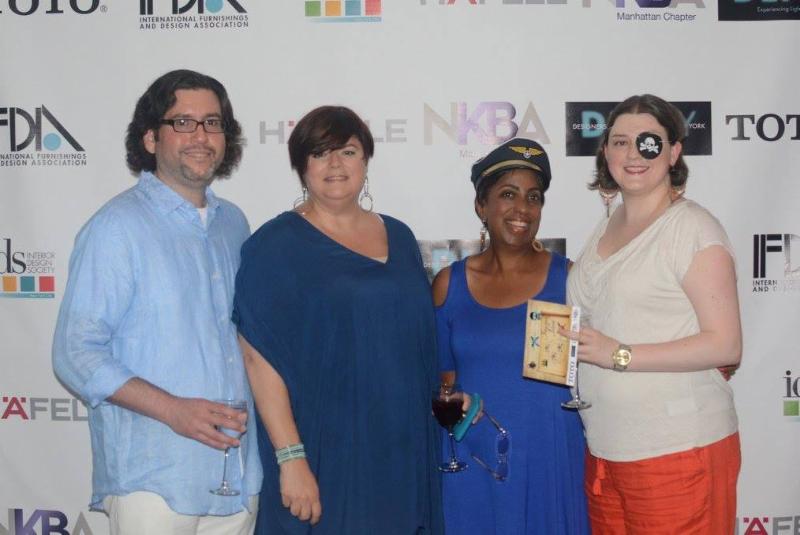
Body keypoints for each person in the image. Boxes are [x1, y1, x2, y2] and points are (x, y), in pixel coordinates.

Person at [52, 69, 262, 534]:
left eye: (212, 123)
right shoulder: (116, 227)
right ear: (150, 137)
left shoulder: (234, 225)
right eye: (183, 122)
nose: (201, 136)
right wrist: (173, 410)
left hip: (236, 475)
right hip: (154, 479)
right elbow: (75, 353)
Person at [233, 105, 443, 534]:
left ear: (365, 160)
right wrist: (291, 458)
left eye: (347, 151)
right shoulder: (275, 245)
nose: (335, 164)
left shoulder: (400, 236)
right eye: (320, 152)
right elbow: (258, 358)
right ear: (301, 166)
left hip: (402, 446)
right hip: (325, 447)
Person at [565, 94, 742, 534]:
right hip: (607, 451)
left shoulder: (692, 228)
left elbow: (725, 345)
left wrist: (620, 355)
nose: (633, 154)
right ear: (605, 151)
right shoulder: (606, 225)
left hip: (677, 451)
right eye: (620, 142)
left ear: (673, 151)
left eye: (648, 142)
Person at [432, 138, 590, 534]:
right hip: (476, 458)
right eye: (508, 194)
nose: (522, 208)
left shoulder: (568, 278)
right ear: (481, 206)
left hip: (550, 458)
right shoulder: (449, 284)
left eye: (533, 197)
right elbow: (444, 385)